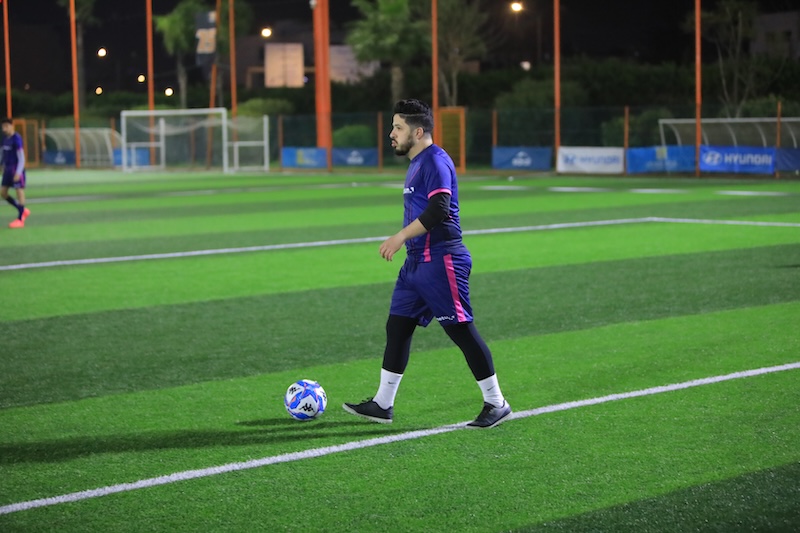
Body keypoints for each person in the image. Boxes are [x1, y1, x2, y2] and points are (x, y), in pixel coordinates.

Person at [343, 99, 512, 429]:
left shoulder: (435, 160)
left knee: (460, 329)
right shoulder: (417, 162)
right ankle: (383, 404)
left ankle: (497, 402)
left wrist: (400, 236)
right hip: (416, 263)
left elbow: (439, 209)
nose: (391, 133)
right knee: (398, 326)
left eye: (398, 127)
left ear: (418, 132)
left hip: (441, 259)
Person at [1, 117, 30, 229]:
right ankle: (21, 209)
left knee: (19, 191)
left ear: (11, 126)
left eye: (6, 126)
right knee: (3, 192)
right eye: (3, 127)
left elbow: (21, 157)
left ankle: (20, 219)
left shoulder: (16, 138)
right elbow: (2, 154)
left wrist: (18, 171)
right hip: (7, 169)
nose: (4, 129)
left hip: (16, 168)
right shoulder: (5, 139)